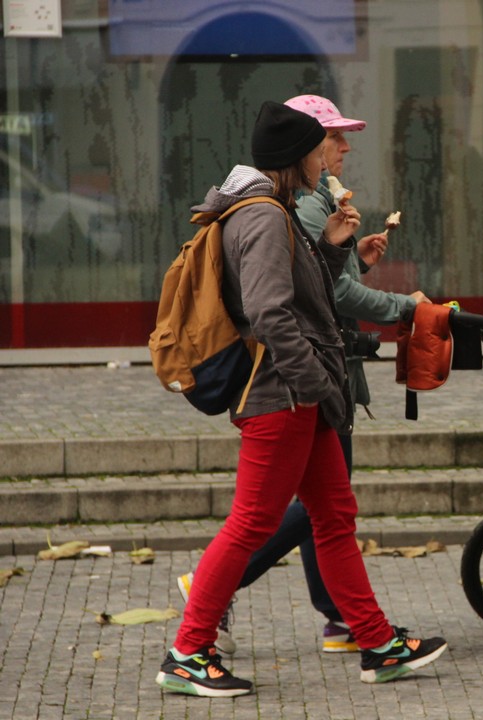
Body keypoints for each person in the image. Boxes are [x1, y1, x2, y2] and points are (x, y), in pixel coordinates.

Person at [156, 101, 447, 699]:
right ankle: (187, 651)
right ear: (297, 157)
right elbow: (268, 312)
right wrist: (314, 381)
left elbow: (309, 293)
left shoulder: (278, 211)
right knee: (251, 524)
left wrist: (336, 248)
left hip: (297, 395)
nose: (329, 158)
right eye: (321, 149)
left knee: (334, 517)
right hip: (280, 396)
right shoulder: (262, 217)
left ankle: (376, 643)